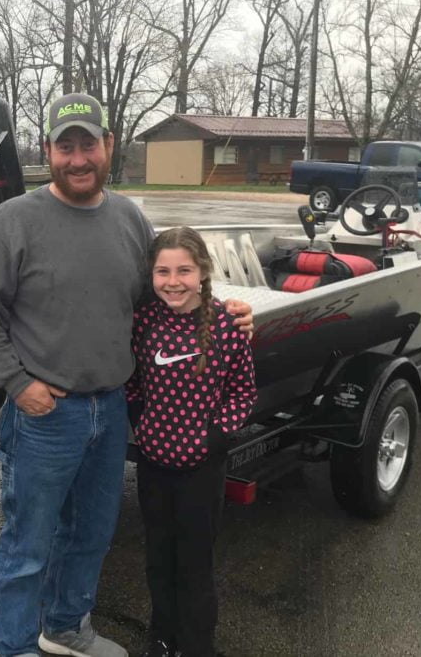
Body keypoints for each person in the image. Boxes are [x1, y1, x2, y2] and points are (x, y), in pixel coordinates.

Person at [0, 93, 253, 657]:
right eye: (64, 146)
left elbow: (165, 296)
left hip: (113, 408)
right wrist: (18, 384)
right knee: (28, 543)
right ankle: (15, 645)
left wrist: (226, 311)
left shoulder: (129, 220)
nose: (76, 158)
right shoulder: (13, 220)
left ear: (108, 146)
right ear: (47, 151)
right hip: (45, 414)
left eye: (87, 144)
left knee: (91, 535)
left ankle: (65, 628)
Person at [125, 227, 257, 657]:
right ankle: (161, 639)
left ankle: (199, 645)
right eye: (162, 271)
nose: (173, 281)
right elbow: (130, 383)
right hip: (153, 466)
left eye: (184, 269)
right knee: (159, 559)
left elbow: (243, 392)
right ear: (151, 274)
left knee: (195, 563)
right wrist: (142, 425)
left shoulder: (229, 324)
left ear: (202, 271)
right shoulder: (142, 320)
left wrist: (214, 436)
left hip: (202, 469)